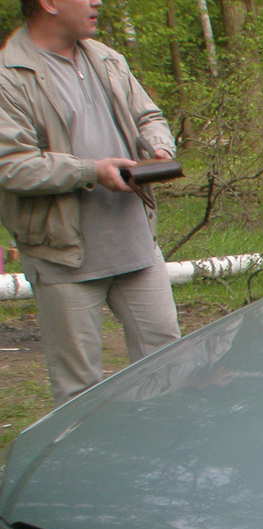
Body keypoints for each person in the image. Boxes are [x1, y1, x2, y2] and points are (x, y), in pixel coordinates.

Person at [0, 0, 180, 406]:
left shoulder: (107, 58)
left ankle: (162, 453)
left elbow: (149, 116)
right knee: (78, 390)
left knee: (167, 365)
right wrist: (91, 171)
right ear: (48, 4)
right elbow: (11, 166)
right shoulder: (8, 74)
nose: (97, 1)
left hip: (136, 245)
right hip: (63, 256)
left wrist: (158, 148)